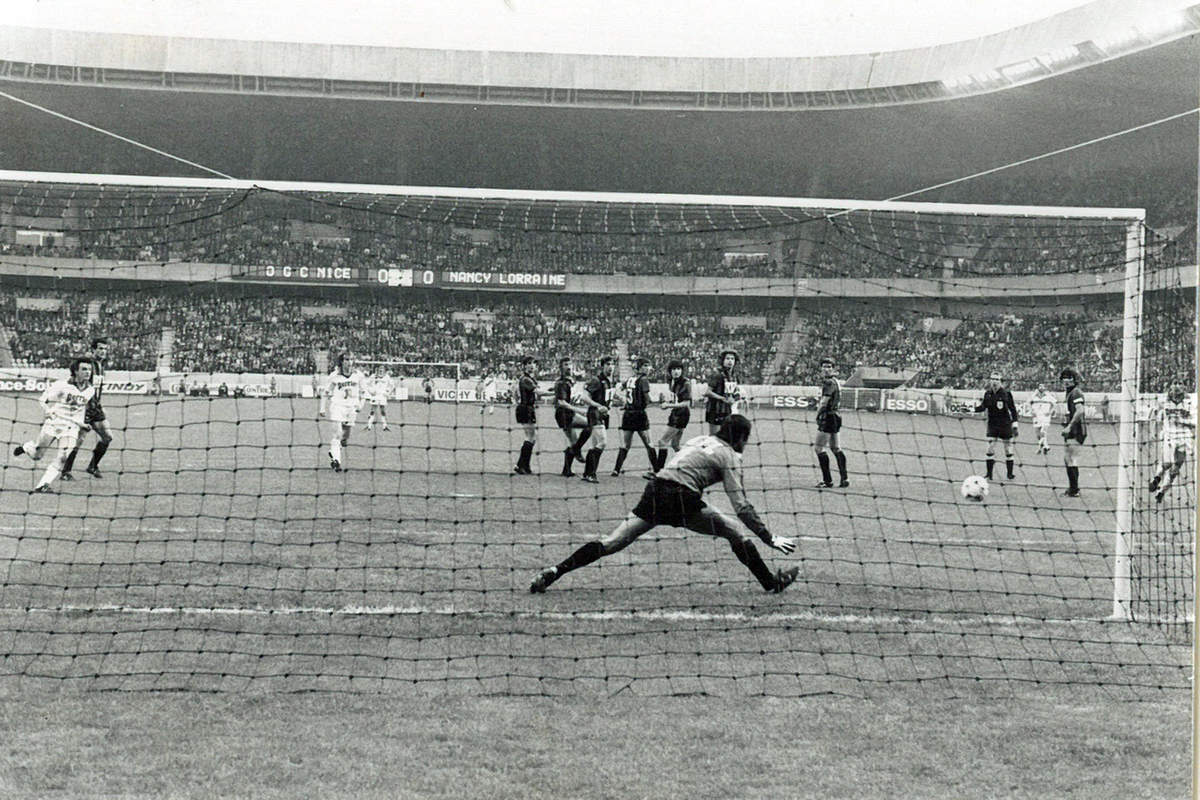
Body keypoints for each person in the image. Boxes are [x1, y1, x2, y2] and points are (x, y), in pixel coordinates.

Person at [529, 415, 799, 594]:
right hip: (681, 498)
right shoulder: (728, 456)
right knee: (735, 532)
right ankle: (771, 583)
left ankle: (555, 571)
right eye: (746, 439)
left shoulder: (699, 440)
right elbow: (741, 506)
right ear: (740, 437)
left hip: (655, 490)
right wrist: (768, 537)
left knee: (612, 542)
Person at [13, 358, 95, 493]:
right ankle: (27, 447)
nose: (88, 372)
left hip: (71, 428)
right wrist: (48, 411)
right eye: (84, 369)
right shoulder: (61, 385)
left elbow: (81, 410)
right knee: (37, 455)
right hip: (54, 423)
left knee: (63, 457)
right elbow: (42, 400)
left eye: (90, 369)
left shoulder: (90, 390)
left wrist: (82, 424)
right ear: (75, 371)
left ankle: (42, 485)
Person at [61, 337, 114, 480]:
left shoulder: (101, 366)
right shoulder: (87, 364)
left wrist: (98, 403)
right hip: (83, 408)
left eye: (105, 349)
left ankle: (92, 466)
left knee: (107, 437)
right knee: (78, 440)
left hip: (96, 408)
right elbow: (72, 381)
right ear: (93, 349)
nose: (103, 351)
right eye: (100, 348)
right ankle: (65, 472)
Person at [318, 353, 366, 472]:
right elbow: (326, 392)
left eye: (351, 360)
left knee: (345, 437)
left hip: (352, 408)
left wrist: (361, 405)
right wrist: (322, 408)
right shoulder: (334, 375)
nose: (349, 362)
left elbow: (364, 393)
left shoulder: (359, 376)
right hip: (337, 406)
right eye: (346, 360)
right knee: (337, 433)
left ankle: (333, 450)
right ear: (341, 361)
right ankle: (336, 461)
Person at [1149, 382, 1195, 504]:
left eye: (1178, 393)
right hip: (1169, 436)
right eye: (1174, 391)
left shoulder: (1190, 403)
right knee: (1167, 464)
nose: (1176, 394)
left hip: (1184, 438)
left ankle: (1161, 492)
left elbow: (1195, 421)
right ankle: (1157, 478)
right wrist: (1153, 431)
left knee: (1175, 468)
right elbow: (1155, 417)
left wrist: (1183, 420)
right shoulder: (1164, 402)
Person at [646, 359, 691, 478]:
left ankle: (658, 472)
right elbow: (677, 399)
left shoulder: (686, 383)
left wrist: (668, 405)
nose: (676, 372)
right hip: (678, 413)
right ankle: (687, 468)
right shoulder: (673, 382)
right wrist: (667, 402)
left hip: (680, 415)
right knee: (675, 445)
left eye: (678, 369)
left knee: (662, 442)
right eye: (673, 369)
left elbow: (686, 403)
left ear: (682, 370)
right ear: (670, 371)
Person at [611, 358, 657, 477]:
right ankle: (657, 470)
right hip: (639, 414)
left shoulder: (630, 379)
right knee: (649, 444)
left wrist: (625, 402)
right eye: (646, 366)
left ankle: (616, 469)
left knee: (625, 444)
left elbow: (619, 389)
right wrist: (658, 402)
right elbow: (647, 400)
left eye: (649, 366)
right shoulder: (644, 380)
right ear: (640, 368)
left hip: (628, 415)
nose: (648, 368)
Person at [577, 356, 616, 483]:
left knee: (595, 444)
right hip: (594, 414)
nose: (611, 367)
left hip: (602, 415)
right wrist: (599, 406)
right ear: (603, 366)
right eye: (608, 364)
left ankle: (587, 473)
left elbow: (606, 398)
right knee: (603, 442)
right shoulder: (597, 380)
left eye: (612, 364)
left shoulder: (609, 381)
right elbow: (584, 398)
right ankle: (591, 473)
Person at [813, 356, 849, 488]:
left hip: (828, 417)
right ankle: (844, 478)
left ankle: (827, 481)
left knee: (818, 448)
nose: (826, 369)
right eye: (824, 366)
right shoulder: (836, 381)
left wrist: (817, 414)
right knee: (836, 448)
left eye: (829, 367)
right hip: (836, 416)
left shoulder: (828, 382)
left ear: (833, 369)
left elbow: (824, 401)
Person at [976, 372, 1019, 481]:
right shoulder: (988, 394)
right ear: (990, 380)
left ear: (1001, 382)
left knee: (1008, 450)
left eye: (997, 379)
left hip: (1005, 424)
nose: (994, 381)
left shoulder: (1006, 394)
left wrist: (1015, 424)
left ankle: (1010, 474)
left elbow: (1013, 409)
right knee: (990, 449)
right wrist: (975, 408)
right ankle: (989, 474)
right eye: (993, 379)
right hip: (993, 425)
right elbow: (983, 406)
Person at [552, 357, 589, 477]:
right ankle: (577, 451)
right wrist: (579, 410)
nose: (568, 367)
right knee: (590, 424)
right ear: (561, 367)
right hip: (564, 415)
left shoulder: (569, 381)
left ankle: (566, 470)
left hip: (568, 413)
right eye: (565, 365)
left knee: (574, 441)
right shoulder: (561, 382)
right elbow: (561, 402)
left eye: (570, 364)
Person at [1060, 368, 1087, 497]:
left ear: (1074, 379)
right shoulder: (1070, 393)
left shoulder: (1076, 393)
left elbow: (1080, 410)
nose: (1066, 380)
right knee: (1068, 458)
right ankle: (1073, 487)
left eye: (1069, 378)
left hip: (1077, 430)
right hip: (1073, 429)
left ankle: (1074, 489)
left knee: (1071, 458)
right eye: (1064, 378)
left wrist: (1069, 426)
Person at [702, 350, 741, 435]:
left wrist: (734, 399)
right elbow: (708, 392)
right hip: (715, 410)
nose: (730, 361)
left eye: (732, 359)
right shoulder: (717, 374)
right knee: (714, 437)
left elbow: (736, 391)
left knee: (726, 437)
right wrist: (723, 398)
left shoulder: (734, 376)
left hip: (727, 410)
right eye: (727, 358)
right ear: (722, 360)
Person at [512, 356, 540, 475]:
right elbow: (537, 392)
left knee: (532, 437)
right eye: (529, 363)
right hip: (525, 409)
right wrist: (555, 391)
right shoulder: (526, 379)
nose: (532, 365)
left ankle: (524, 465)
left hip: (527, 408)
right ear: (524, 366)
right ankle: (521, 465)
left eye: (533, 363)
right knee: (530, 437)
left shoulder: (528, 378)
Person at [363, 365, 395, 431]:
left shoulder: (387, 377)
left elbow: (392, 386)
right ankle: (369, 426)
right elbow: (366, 384)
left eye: (382, 369)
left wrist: (388, 393)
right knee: (372, 410)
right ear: (377, 369)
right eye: (380, 369)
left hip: (383, 396)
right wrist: (371, 391)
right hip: (375, 396)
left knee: (383, 410)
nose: (381, 370)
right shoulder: (373, 376)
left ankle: (385, 426)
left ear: (384, 370)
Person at [1029, 383, 1055, 455]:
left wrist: (1050, 412)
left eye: (1043, 386)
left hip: (1045, 416)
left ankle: (1043, 447)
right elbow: (1029, 403)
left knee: (1043, 432)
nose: (1041, 387)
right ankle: (1044, 447)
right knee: (1038, 434)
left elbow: (1054, 404)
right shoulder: (1034, 395)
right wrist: (1032, 411)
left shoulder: (1048, 395)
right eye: (1040, 386)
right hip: (1036, 416)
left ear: (1045, 388)